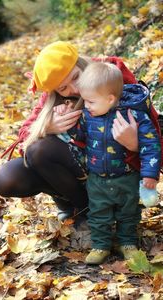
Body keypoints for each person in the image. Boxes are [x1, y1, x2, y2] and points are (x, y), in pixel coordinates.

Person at [0, 41, 144, 222]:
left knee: (41, 150)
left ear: (80, 63)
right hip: (77, 169)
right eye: (63, 88)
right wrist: (47, 127)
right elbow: (25, 134)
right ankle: (80, 207)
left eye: (76, 77)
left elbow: (151, 131)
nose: (74, 89)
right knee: (8, 177)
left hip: (115, 169)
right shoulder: (53, 97)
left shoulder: (111, 74)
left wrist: (135, 143)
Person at [65, 61, 161, 264]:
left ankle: (128, 243)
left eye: (90, 101)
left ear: (110, 99)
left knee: (129, 212)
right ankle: (101, 245)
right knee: (99, 213)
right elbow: (78, 136)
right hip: (97, 178)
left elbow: (151, 145)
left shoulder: (134, 116)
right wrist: (67, 122)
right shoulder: (88, 116)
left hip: (127, 177)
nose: (86, 106)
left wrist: (149, 175)